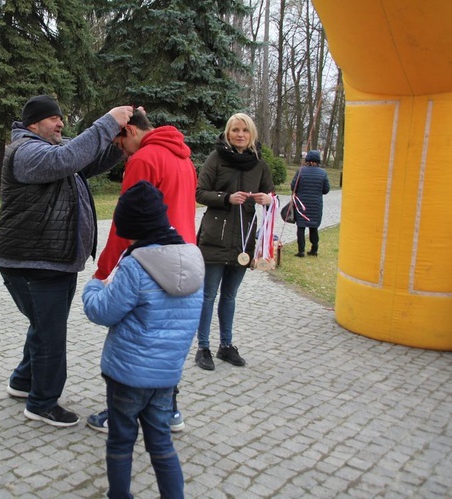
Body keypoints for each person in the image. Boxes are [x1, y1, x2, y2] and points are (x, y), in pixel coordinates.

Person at [0, 94, 133, 427]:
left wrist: (117, 143)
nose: (61, 123)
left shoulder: (49, 150)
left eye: (61, 118)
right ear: (33, 124)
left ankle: (22, 381)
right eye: (54, 118)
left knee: (44, 325)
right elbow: (70, 157)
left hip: (48, 259)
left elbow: (87, 160)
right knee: (50, 332)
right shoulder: (27, 151)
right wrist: (108, 121)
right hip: (33, 261)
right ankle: (42, 402)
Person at [82, 181, 204, 499]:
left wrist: (94, 286)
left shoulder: (136, 266)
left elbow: (102, 312)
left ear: (134, 228)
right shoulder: (194, 259)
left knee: (121, 440)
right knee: (161, 441)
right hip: (166, 376)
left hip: (127, 375)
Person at [87, 110, 198, 433]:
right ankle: (169, 409)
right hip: (184, 259)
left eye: (119, 141)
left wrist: (104, 270)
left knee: (134, 339)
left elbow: (126, 221)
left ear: (130, 130)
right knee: (168, 340)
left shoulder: (144, 160)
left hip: (148, 261)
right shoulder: (184, 157)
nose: (120, 150)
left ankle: (120, 413)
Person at [194, 113, 274, 371]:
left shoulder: (259, 164)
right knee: (208, 295)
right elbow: (199, 192)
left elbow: (272, 194)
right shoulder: (216, 158)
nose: (240, 134)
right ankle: (203, 347)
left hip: (243, 241)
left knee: (229, 296)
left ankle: (226, 346)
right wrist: (226, 198)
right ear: (228, 134)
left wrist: (268, 200)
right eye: (235, 130)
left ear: (252, 134)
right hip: (215, 238)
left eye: (245, 130)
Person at [292, 150, 330, 257]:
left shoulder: (301, 171)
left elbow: (293, 186)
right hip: (316, 205)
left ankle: (301, 251)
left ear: (307, 160)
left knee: (301, 227)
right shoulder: (323, 173)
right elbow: (326, 190)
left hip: (301, 204)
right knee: (314, 227)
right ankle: (314, 249)